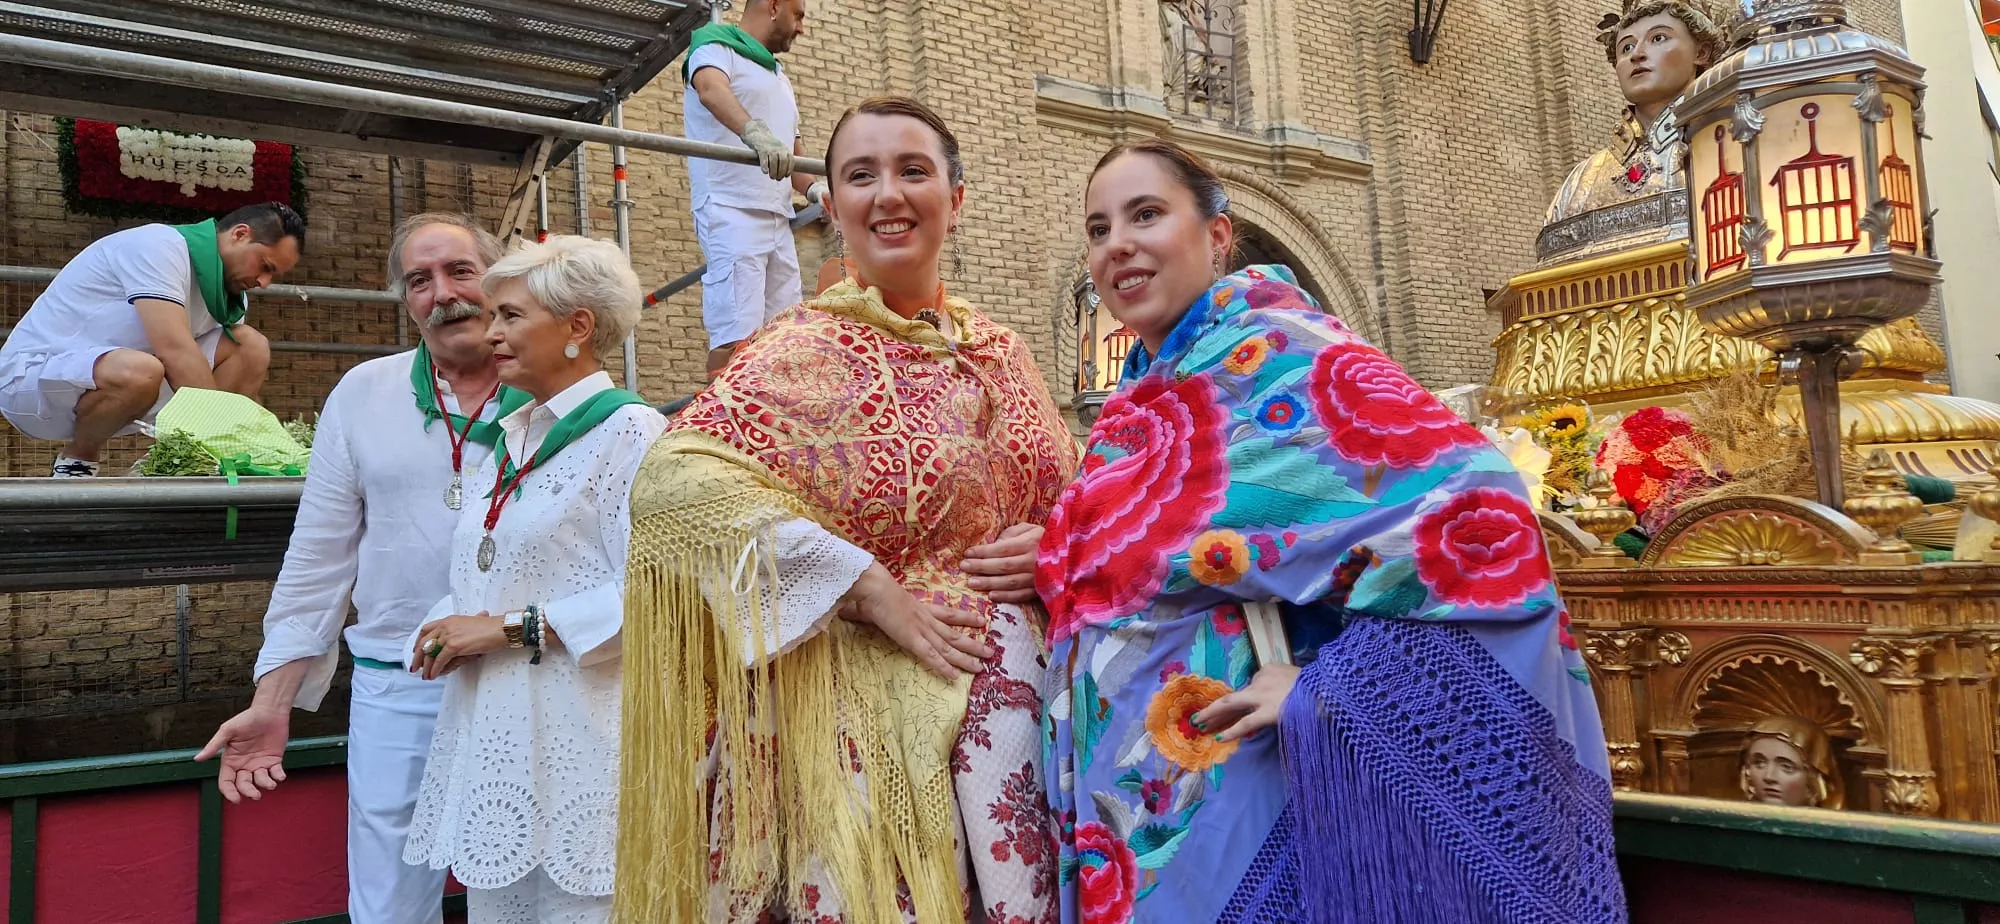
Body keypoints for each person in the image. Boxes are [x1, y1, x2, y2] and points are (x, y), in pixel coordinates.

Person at [1025, 140, 1624, 922]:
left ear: (1216, 236)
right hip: (1123, 817)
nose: (1118, 245)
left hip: (1228, 795)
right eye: (1099, 229)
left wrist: (1326, 689)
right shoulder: (1138, 401)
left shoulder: (1285, 360)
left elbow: (1480, 509)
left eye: (1146, 214)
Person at [616, 96, 1077, 924]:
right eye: (860, 175)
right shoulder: (796, 351)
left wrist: (1055, 538)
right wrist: (863, 585)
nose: (887, 194)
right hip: (845, 741)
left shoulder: (1005, 353)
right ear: (832, 206)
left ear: (957, 197)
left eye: (913, 171)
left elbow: (1064, 495)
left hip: (1017, 731)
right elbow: (672, 485)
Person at [196, 212, 520, 924]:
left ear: (496, 280)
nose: (444, 294)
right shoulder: (362, 394)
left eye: (460, 271)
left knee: (526, 884)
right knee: (388, 903)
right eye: (419, 281)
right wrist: (273, 701)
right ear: (406, 302)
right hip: (398, 681)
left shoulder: (554, 392)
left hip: (527, 677)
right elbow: (318, 559)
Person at [401, 235, 663, 923]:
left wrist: (506, 629)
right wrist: (444, 625)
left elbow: (659, 596)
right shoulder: (509, 435)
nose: (490, 334)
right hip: (500, 742)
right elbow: (496, 575)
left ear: (578, 327)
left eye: (511, 316)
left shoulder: (632, 434)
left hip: (587, 750)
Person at [0, 202, 304, 476]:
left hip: (124, 385)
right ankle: (77, 461)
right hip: (33, 383)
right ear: (239, 234)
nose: (264, 283)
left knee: (249, 346)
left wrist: (267, 440)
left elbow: (228, 385)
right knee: (142, 370)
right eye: (266, 266)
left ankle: (171, 463)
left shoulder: (232, 294)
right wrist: (233, 434)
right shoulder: (159, 245)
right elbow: (174, 349)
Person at [683, 0, 824, 378]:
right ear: (775, 6)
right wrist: (753, 132)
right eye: (800, 16)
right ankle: (725, 426)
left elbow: (794, 159)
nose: (802, 28)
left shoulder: (778, 76)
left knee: (785, 334)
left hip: (777, 219)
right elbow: (711, 90)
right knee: (736, 334)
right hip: (732, 209)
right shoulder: (715, 44)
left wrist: (817, 193)